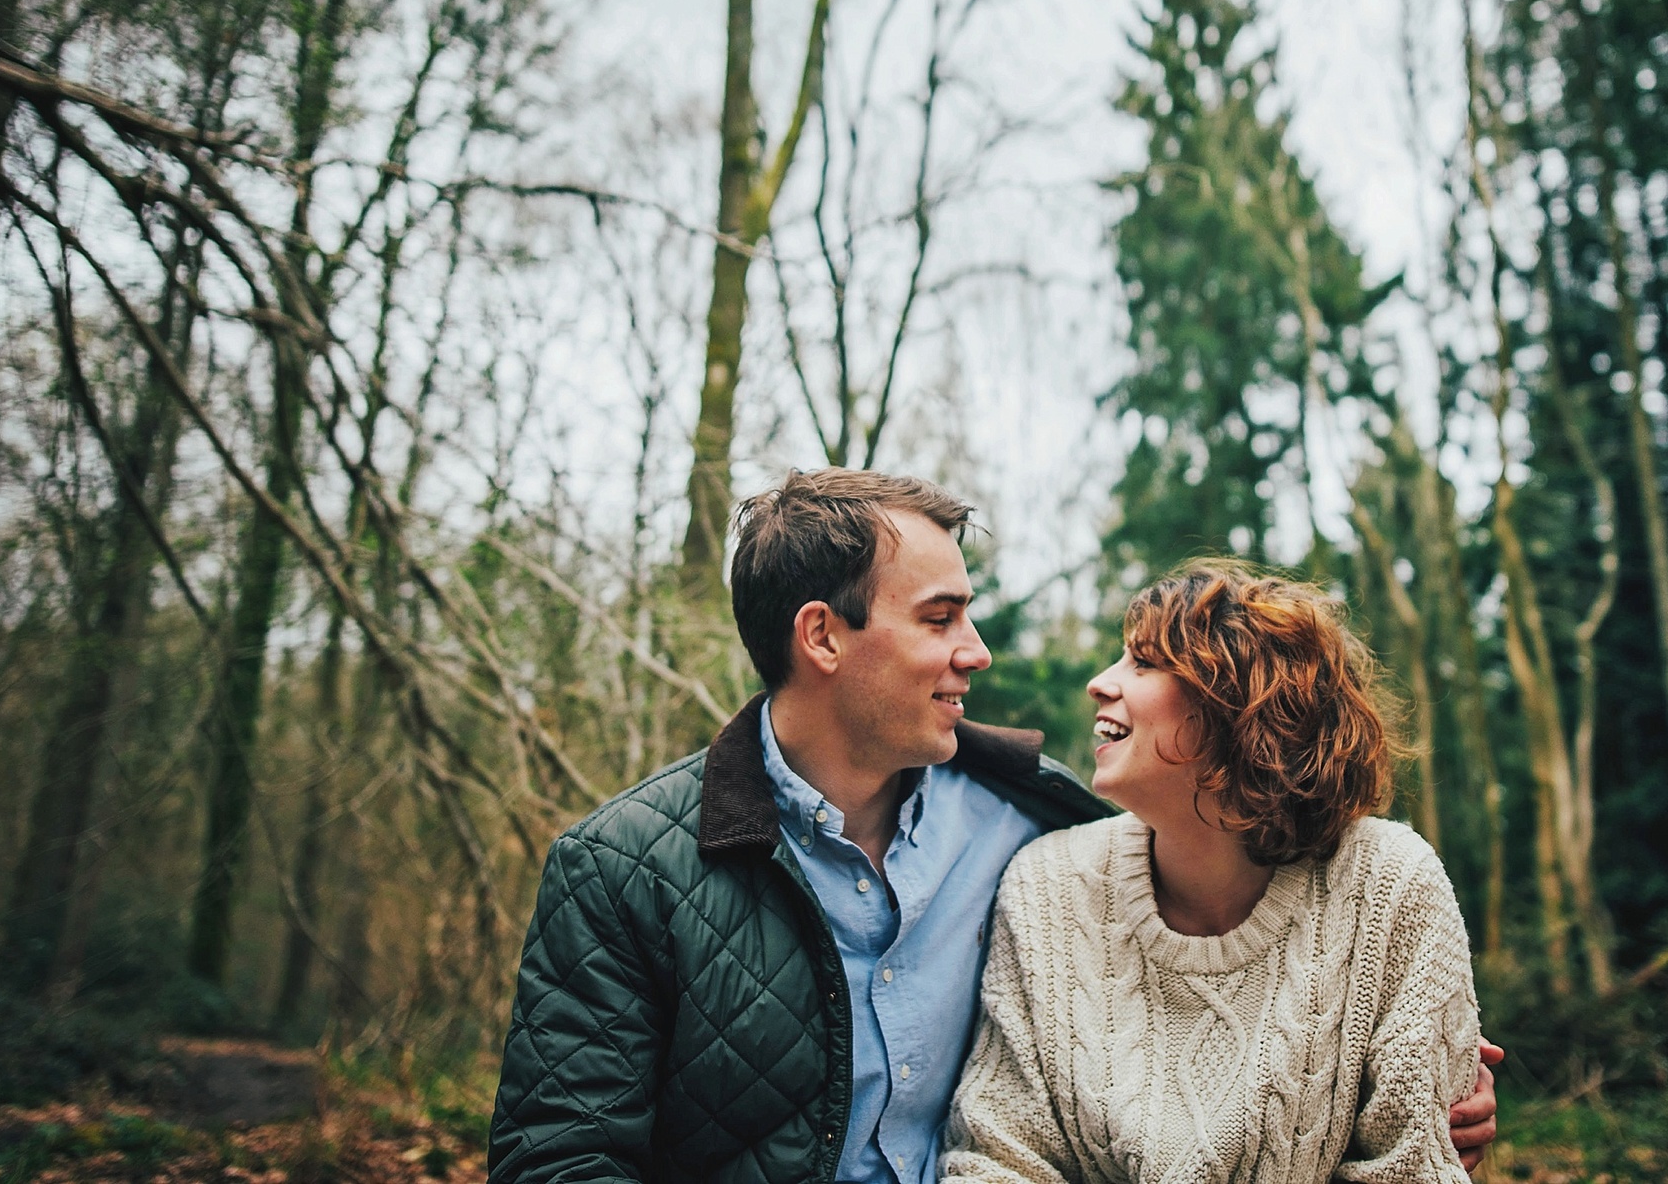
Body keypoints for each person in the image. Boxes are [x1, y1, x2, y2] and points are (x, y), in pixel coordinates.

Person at [487, 470, 1498, 1184]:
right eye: (939, 619)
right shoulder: (621, 871)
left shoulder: (1038, 825)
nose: (976, 651)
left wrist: (1407, 1080)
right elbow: (558, 1160)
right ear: (822, 635)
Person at [943, 561, 1481, 1183]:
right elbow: (999, 1158)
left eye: (1143, 664)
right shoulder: (1047, 886)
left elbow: (1412, 1166)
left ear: (1241, 704)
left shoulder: (1388, 883)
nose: (1099, 683)